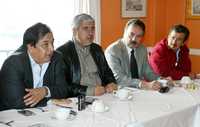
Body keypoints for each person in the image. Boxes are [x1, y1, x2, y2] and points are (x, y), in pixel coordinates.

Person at [0, 23, 86, 111]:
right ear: (30, 47)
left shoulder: (57, 58)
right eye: (45, 44)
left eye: (52, 43)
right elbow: (16, 102)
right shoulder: (13, 63)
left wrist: (45, 91)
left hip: (44, 114)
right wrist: (50, 101)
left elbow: (63, 90)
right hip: (12, 115)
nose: (52, 49)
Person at [57, 13, 118, 96]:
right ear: (75, 31)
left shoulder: (97, 49)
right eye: (86, 28)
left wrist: (111, 82)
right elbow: (63, 86)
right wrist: (89, 91)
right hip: (79, 98)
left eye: (93, 28)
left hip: (103, 95)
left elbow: (107, 73)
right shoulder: (63, 53)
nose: (90, 33)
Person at [105, 19, 161, 90]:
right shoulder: (113, 51)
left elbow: (147, 72)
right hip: (121, 92)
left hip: (139, 91)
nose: (134, 39)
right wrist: (142, 84)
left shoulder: (142, 49)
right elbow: (119, 79)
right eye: (131, 34)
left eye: (139, 36)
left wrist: (161, 80)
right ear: (124, 32)